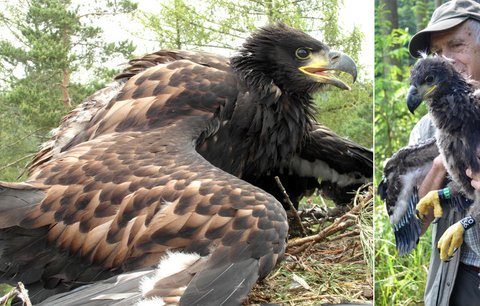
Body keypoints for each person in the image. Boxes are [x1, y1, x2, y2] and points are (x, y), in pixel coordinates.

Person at [407, 0, 480, 305]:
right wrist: (440, 166)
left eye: (457, 45)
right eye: (438, 52)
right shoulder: (427, 128)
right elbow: (412, 229)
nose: (446, 60)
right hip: (458, 279)